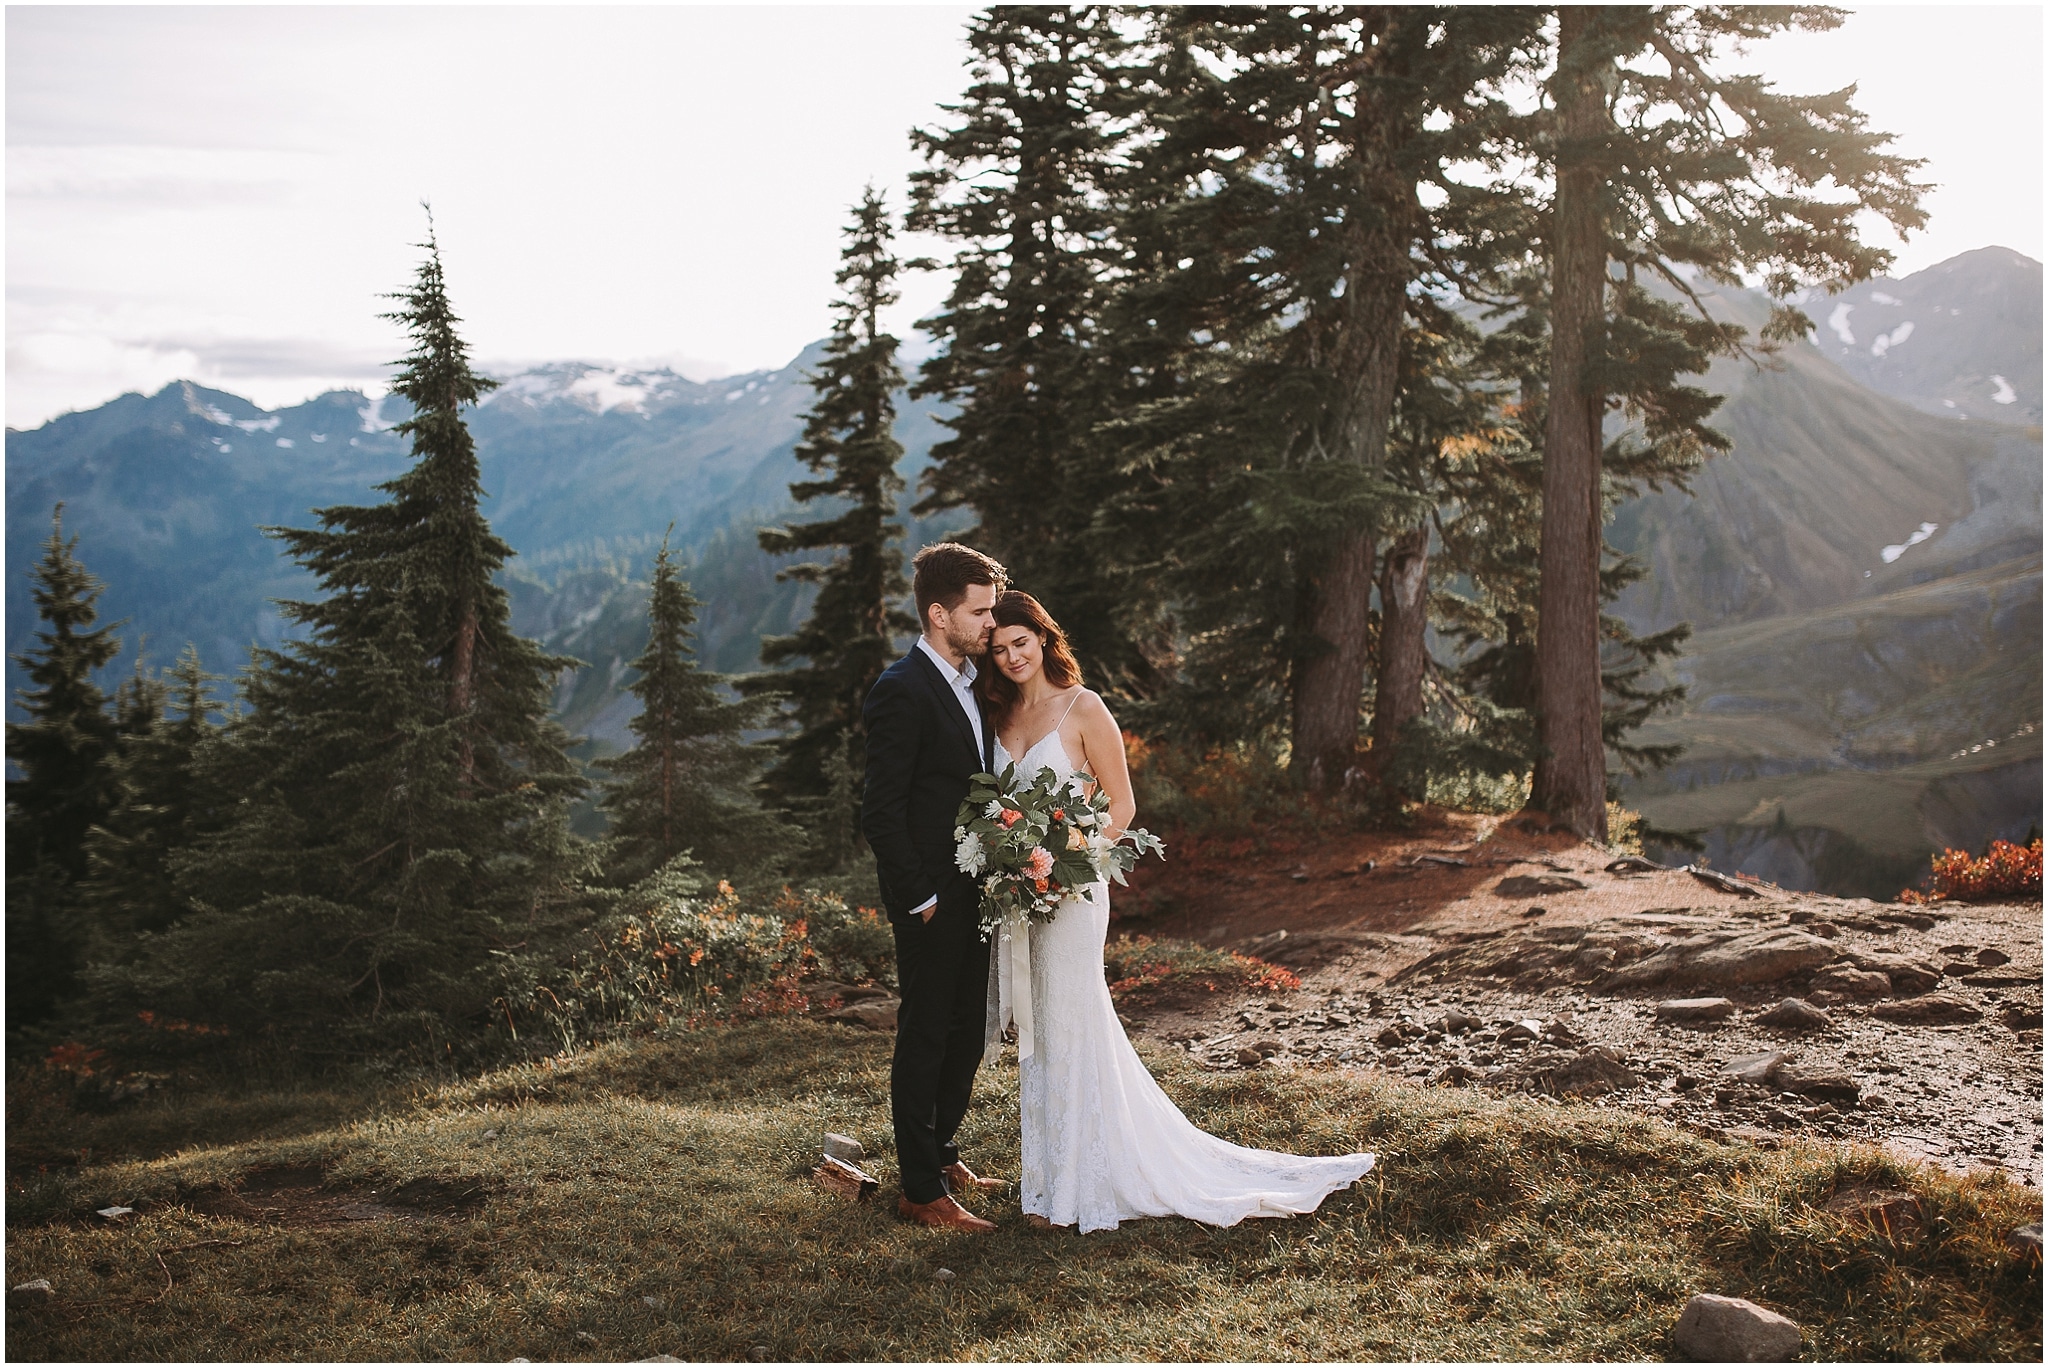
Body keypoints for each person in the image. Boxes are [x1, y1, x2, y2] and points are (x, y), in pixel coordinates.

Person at [979, 590, 1376, 1233]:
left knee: (1073, 1022)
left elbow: (1123, 806)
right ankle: (1051, 1185)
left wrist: (1066, 863)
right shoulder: (996, 717)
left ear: (1044, 639)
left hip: (1073, 893)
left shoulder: (1084, 708)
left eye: (1020, 642)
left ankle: (1083, 1188)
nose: (1011, 657)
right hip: (1021, 898)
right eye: (998, 650)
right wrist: (1013, 863)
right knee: (1043, 1034)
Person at [859, 542, 1010, 1232]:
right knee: (925, 1036)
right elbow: (879, 810)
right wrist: (920, 897)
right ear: (939, 613)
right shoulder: (901, 689)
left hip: (977, 889)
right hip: (930, 900)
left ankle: (942, 1154)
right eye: (979, 612)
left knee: (966, 1032)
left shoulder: (973, 682)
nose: (990, 623)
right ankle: (920, 1189)